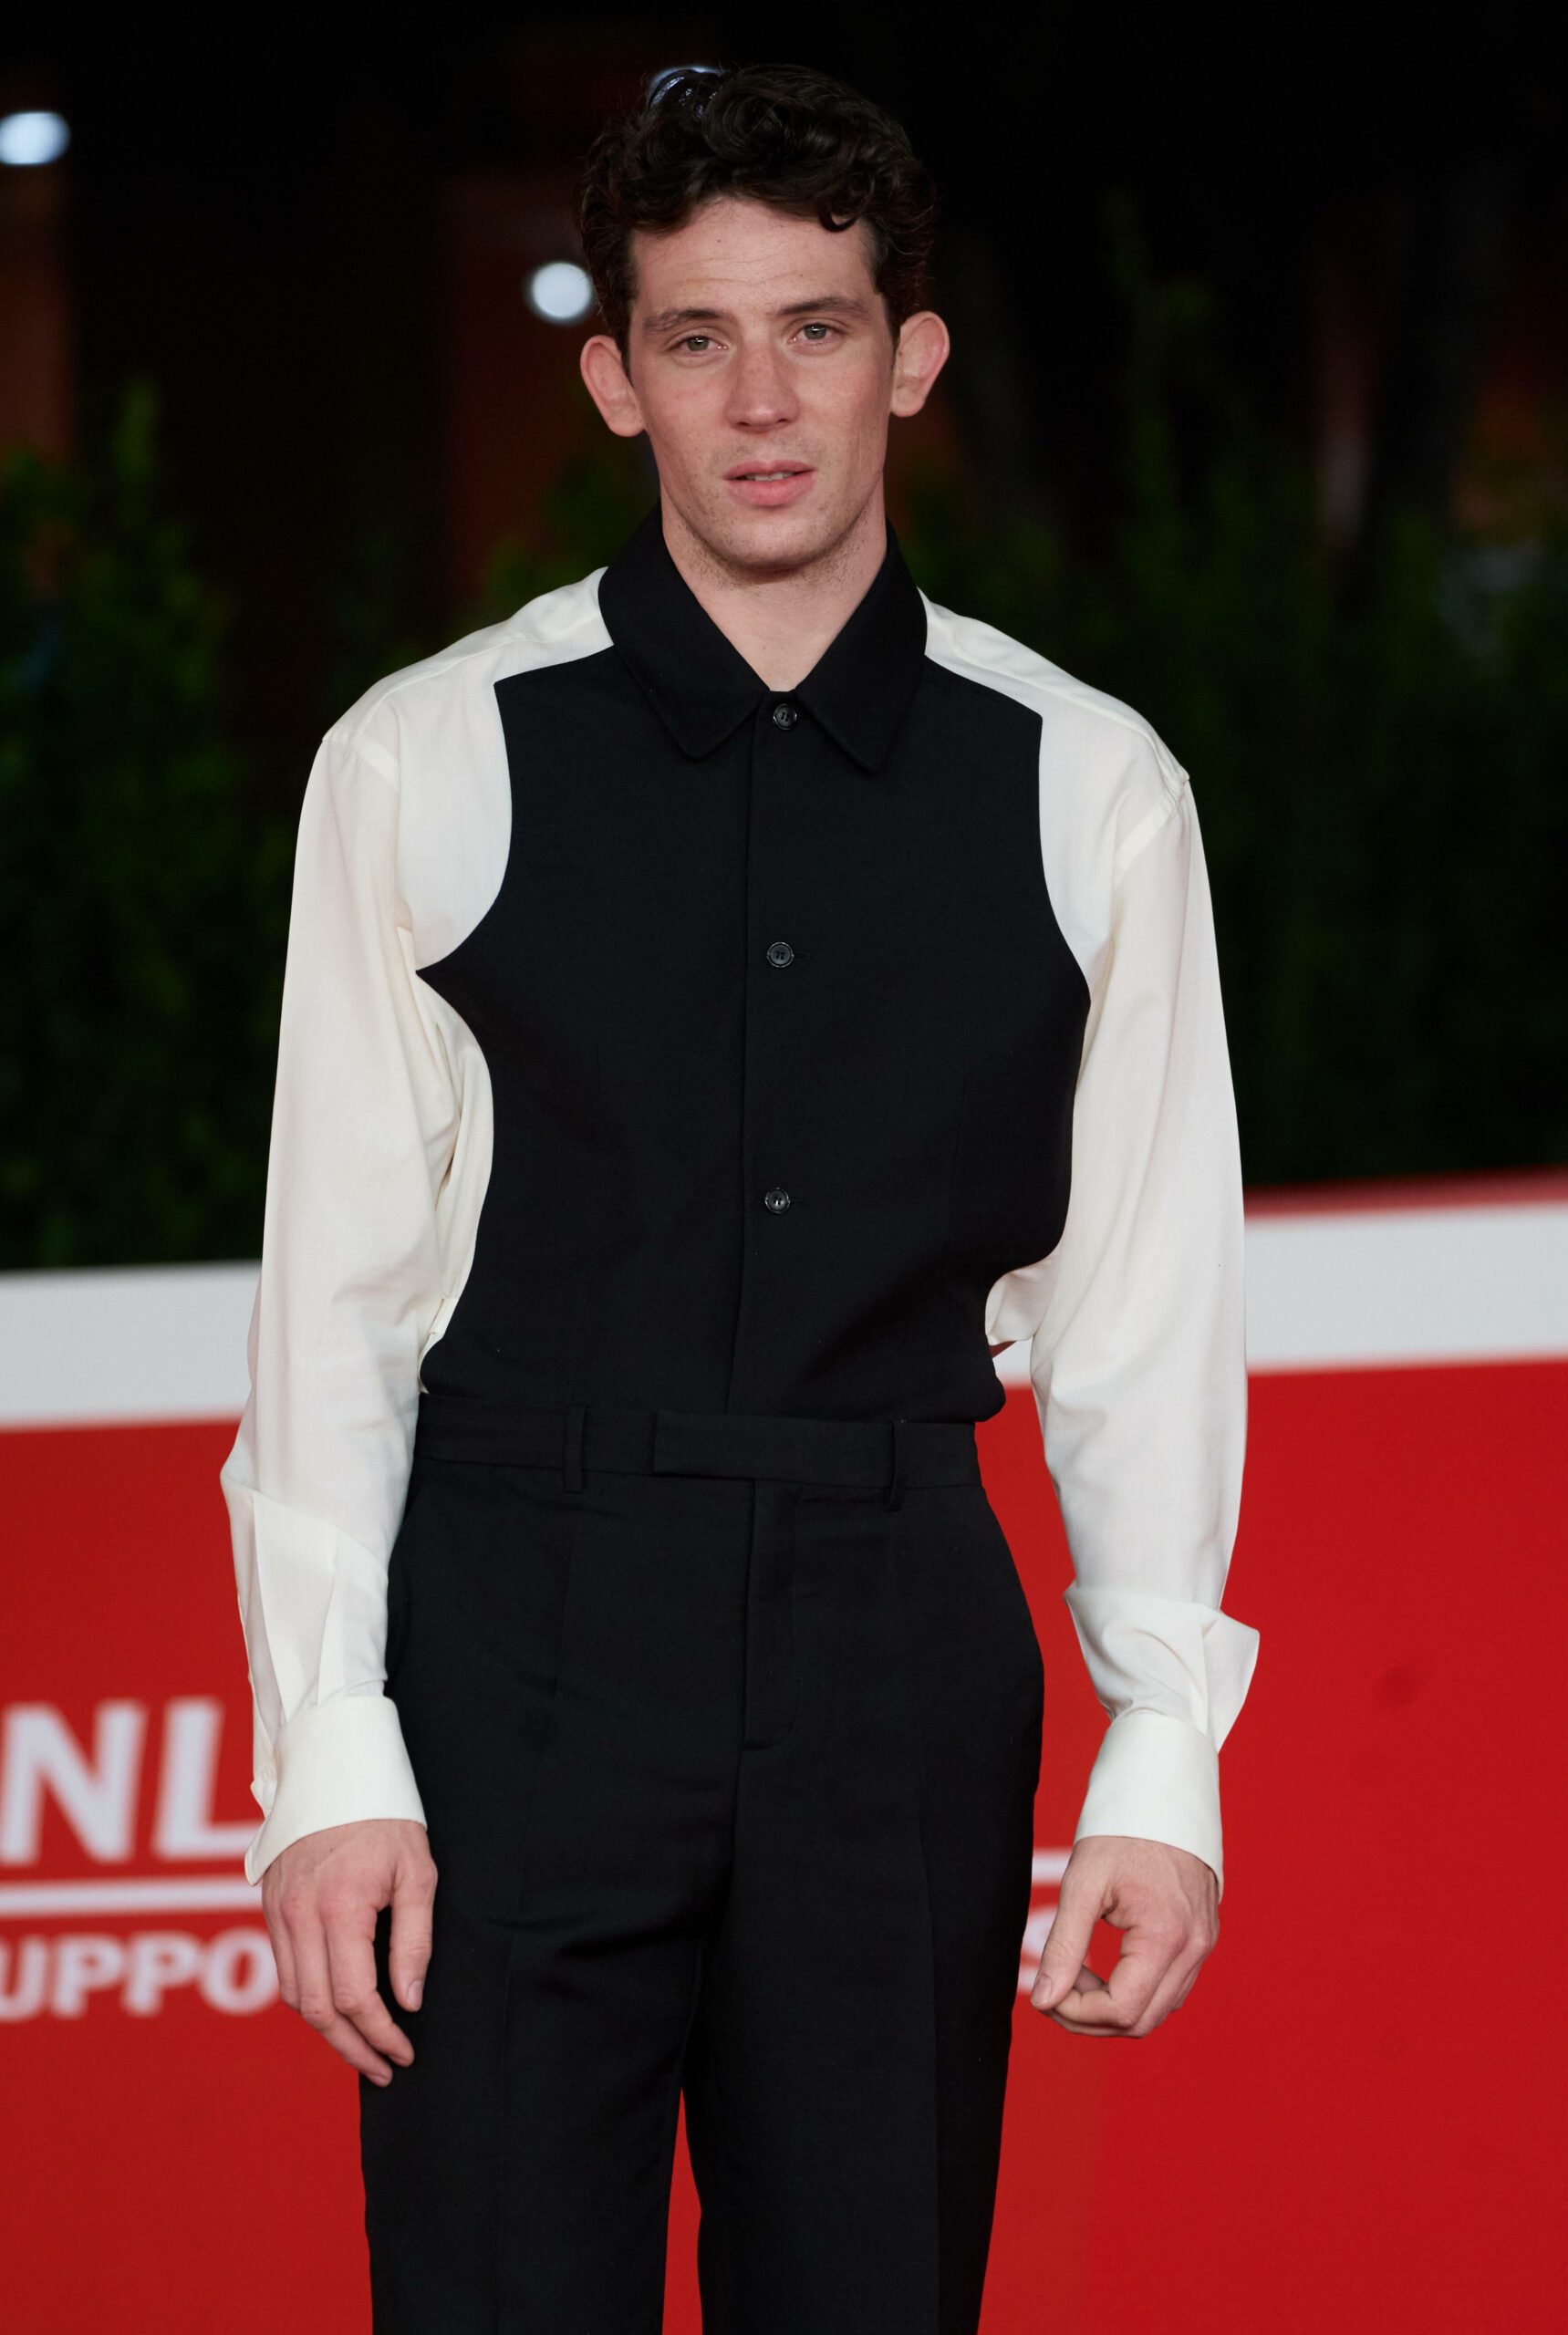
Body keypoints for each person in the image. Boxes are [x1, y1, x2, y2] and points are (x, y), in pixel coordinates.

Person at [220, 57, 1262, 2335]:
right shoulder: (428, 753)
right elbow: (334, 1301)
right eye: (697, 337)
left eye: (813, 327)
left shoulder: (1086, 784)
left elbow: (1141, 1308)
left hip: (894, 1644)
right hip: (512, 1641)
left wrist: (1160, 1750)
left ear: (912, 354)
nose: (761, 399)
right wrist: (326, 1747)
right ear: (612, 376)